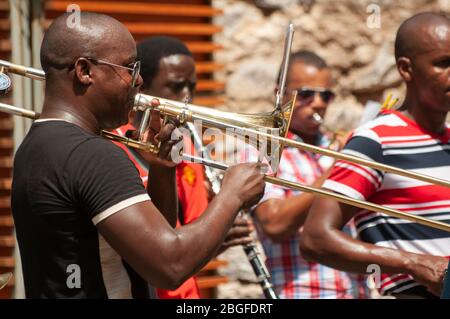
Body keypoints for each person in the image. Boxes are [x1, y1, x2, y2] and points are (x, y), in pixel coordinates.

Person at [11, 12, 265, 299]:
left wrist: (162, 170)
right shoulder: (94, 155)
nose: (139, 79)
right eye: (129, 67)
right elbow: (170, 266)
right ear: (84, 71)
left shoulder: (34, 146)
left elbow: (147, 249)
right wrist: (232, 195)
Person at [301, 12, 450, 299]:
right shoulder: (375, 140)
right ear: (406, 69)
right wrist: (414, 263)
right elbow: (315, 238)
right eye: (443, 64)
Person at [112, 36, 254, 298]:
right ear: (141, 88)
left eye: (192, 86)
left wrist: (220, 234)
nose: (187, 97)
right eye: (176, 87)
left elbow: (188, 243)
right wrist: (229, 200)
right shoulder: (114, 149)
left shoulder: (187, 148)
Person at [245, 50, 367, 298]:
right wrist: (339, 169)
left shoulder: (335, 147)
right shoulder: (264, 151)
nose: (319, 103)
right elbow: (274, 223)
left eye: (326, 95)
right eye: (307, 94)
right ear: (280, 94)